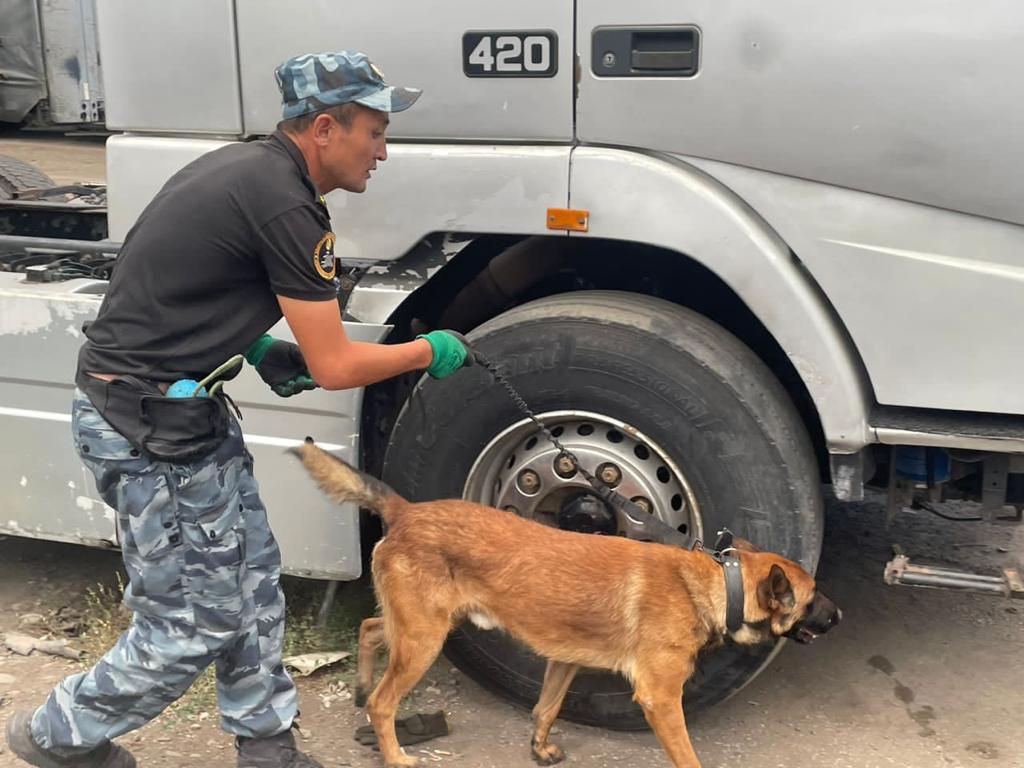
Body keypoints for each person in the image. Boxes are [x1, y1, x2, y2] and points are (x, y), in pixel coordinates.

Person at [4, 51, 470, 768]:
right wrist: (426, 351)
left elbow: (183, 281)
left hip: (181, 413)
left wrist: (255, 347)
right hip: (145, 430)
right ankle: (58, 736)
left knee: (253, 581)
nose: (383, 150)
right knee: (191, 622)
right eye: (374, 131)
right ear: (324, 127)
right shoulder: (285, 202)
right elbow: (335, 366)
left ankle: (267, 746)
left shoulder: (249, 172)